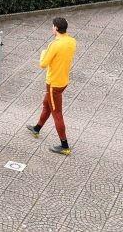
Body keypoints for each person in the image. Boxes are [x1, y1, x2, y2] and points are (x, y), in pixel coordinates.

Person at [26, 17, 77, 155]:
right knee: (46, 104)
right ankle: (37, 128)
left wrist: (43, 53)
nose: (51, 28)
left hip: (54, 84)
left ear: (55, 28)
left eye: (52, 26)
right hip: (64, 81)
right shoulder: (72, 41)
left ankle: (64, 146)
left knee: (57, 113)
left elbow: (43, 64)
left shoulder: (55, 44)